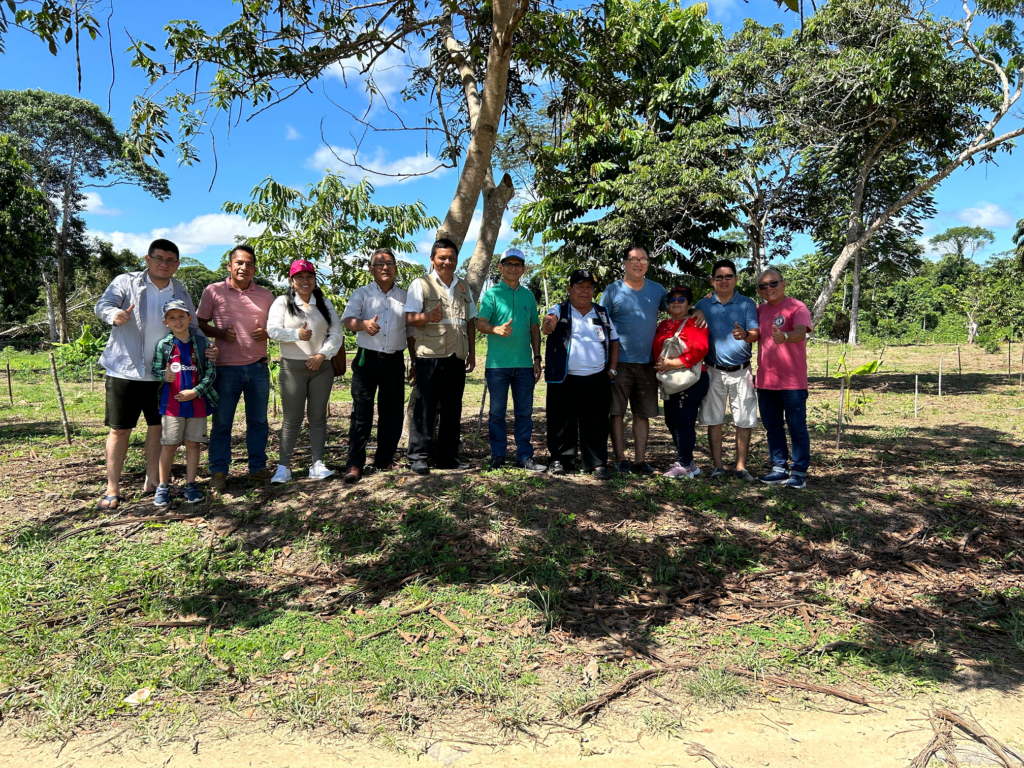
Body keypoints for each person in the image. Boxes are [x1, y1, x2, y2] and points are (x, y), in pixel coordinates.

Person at [94, 238, 218, 510]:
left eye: (170, 260)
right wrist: (114, 314)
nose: (164, 264)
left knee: (157, 428)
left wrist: (206, 348)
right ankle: (112, 488)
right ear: (147, 259)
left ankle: (153, 481)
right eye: (159, 258)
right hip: (125, 369)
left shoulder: (180, 289)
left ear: (177, 264)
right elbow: (103, 304)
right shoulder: (126, 281)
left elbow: (193, 326)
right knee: (120, 429)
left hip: (163, 375)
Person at [197, 245, 276, 490]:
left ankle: (257, 468)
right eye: (239, 263)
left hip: (258, 368)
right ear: (229, 266)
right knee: (222, 423)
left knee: (259, 422)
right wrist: (219, 332)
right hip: (225, 369)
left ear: (254, 268)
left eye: (249, 264)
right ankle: (219, 472)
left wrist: (268, 333)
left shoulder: (266, 295)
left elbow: (277, 326)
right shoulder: (213, 291)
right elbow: (198, 323)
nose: (244, 267)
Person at [341, 248, 416, 482]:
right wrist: (363, 324)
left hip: (394, 360)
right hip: (367, 359)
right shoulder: (361, 294)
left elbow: (411, 331)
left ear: (396, 268)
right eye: (380, 264)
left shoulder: (405, 297)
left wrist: (414, 361)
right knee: (361, 413)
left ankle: (384, 459)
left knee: (392, 413)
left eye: (390, 263)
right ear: (371, 269)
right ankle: (354, 464)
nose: (385, 268)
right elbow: (347, 321)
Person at [266, 259, 345, 484]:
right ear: (292, 281)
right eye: (299, 277)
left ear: (314, 279)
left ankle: (317, 464)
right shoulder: (282, 302)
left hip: (321, 367)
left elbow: (336, 333)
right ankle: (283, 466)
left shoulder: (324, 303)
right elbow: (271, 330)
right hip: (292, 367)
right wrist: (295, 336)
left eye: (309, 276)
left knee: (318, 417)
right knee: (292, 418)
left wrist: (322, 355)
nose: (304, 281)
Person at [404, 238, 477, 474]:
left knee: (452, 408)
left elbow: (470, 322)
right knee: (425, 407)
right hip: (430, 356)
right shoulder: (421, 284)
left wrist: (472, 353)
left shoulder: (464, 287)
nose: (447, 262)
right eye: (442, 258)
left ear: (456, 261)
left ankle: (447, 457)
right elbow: (409, 319)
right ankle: (418, 457)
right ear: (433, 260)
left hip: (457, 356)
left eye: (451, 258)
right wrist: (427, 317)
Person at [541, 269, 620, 479]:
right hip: (564, 377)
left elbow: (614, 341)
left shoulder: (602, 313)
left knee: (596, 422)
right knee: (560, 421)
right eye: (580, 287)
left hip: (597, 378)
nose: (585, 292)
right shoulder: (560, 309)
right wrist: (548, 324)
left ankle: (596, 463)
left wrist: (611, 371)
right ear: (570, 289)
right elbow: (549, 319)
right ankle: (560, 459)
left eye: (589, 287)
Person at [598, 245, 668, 475]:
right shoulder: (612, 291)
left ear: (648, 263)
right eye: (633, 259)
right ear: (624, 263)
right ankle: (620, 459)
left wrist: (697, 312)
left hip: (648, 362)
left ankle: (640, 461)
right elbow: (598, 323)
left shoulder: (657, 290)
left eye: (643, 259)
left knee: (642, 413)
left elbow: (679, 309)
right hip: (619, 363)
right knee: (616, 412)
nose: (638, 263)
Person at [476, 247, 546, 472]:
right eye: (509, 264)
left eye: (517, 265)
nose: (513, 268)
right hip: (497, 365)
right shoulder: (492, 294)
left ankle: (524, 456)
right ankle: (498, 455)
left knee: (524, 413)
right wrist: (495, 329)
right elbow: (480, 322)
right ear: (501, 267)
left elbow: (535, 328)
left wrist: (537, 357)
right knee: (497, 413)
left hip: (525, 364)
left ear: (523, 269)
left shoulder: (528, 295)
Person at [694, 259, 760, 481]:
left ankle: (741, 467)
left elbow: (755, 333)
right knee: (714, 419)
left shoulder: (747, 304)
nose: (724, 281)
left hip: (742, 371)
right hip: (713, 370)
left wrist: (745, 335)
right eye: (719, 277)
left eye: (728, 276)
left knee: (744, 419)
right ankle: (718, 467)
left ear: (736, 279)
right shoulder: (703, 305)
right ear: (712, 281)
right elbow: (687, 313)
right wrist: (697, 311)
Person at [152, 299, 218, 506]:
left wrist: (196, 391)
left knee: (193, 444)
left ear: (190, 318)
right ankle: (163, 486)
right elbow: (156, 370)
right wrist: (164, 375)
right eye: (172, 317)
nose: (177, 320)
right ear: (166, 322)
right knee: (169, 444)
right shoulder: (164, 345)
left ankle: (191, 484)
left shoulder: (202, 343)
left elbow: (210, 372)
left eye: (181, 316)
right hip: (171, 404)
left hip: (196, 403)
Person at [754, 269, 812, 489]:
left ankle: (798, 472)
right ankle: (779, 467)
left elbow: (800, 332)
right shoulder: (759, 310)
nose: (769, 288)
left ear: (784, 283)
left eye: (773, 283)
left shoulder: (796, 307)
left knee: (797, 428)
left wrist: (785, 336)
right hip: (766, 381)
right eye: (763, 286)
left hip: (792, 383)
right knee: (773, 427)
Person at [653, 286, 709, 480]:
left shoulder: (696, 322)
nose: (676, 302)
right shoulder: (663, 324)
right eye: (672, 299)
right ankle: (689, 463)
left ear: (690, 304)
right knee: (671, 420)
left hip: (689, 379)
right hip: (670, 379)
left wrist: (672, 364)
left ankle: (683, 464)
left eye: (681, 299)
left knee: (683, 421)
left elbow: (700, 349)